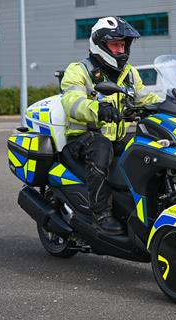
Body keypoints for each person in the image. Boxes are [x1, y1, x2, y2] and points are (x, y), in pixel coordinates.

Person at [60, 16, 161, 235]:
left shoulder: (129, 73)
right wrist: (98, 110)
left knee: (150, 151)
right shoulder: (79, 70)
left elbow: (144, 97)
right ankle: (100, 214)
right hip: (84, 137)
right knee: (101, 148)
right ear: (100, 44)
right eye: (116, 44)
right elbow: (72, 102)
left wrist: (168, 104)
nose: (121, 49)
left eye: (123, 44)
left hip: (117, 137)